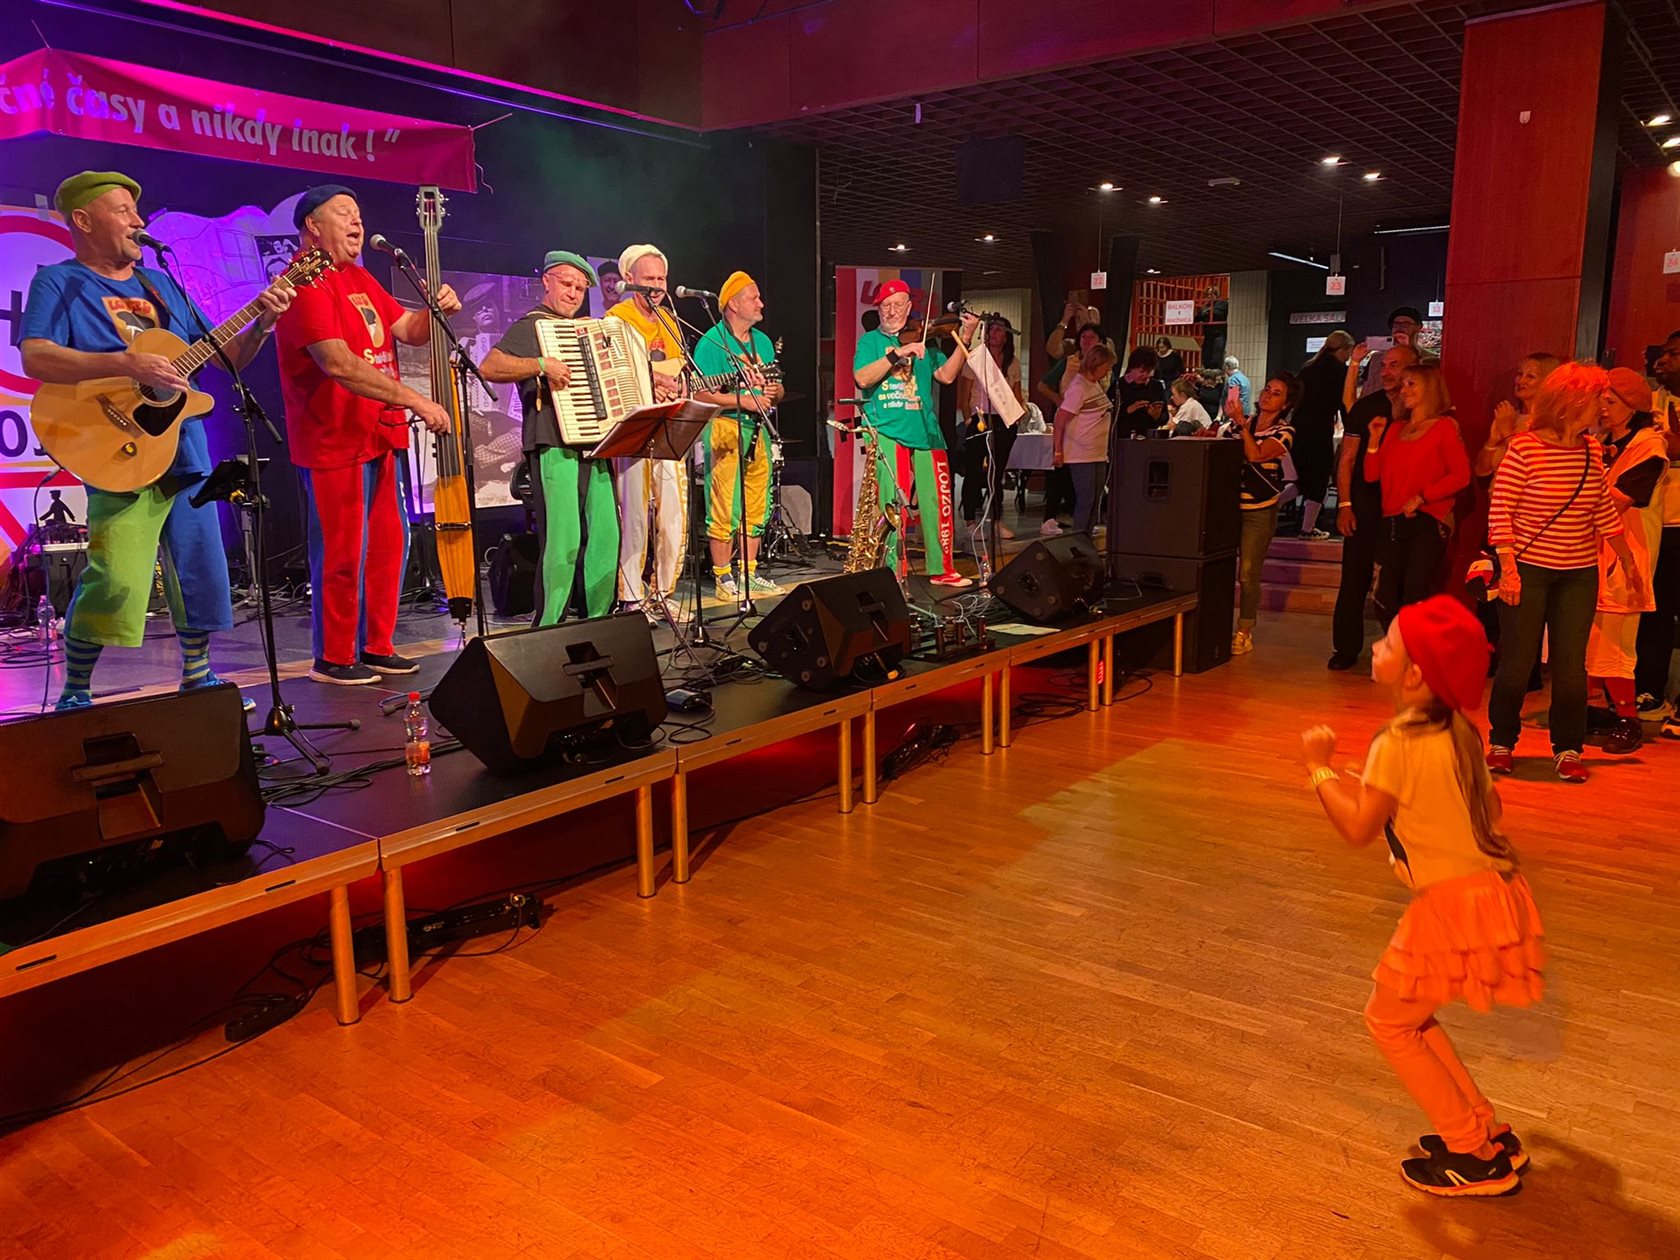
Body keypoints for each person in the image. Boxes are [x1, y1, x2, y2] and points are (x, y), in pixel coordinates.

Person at [20, 171, 293, 710]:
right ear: (84, 220)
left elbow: (225, 359)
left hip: (183, 445)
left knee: (202, 567)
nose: (138, 220)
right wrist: (127, 363)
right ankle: (76, 691)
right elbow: (36, 356)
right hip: (117, 445)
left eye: (136, 210)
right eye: (123, 210)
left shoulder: (161, 285)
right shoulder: (59, 281)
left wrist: (262, 323)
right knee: (116, 577)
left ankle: (199, 678)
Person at [1300, 595, 1542, 1198]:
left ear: (1412, 675)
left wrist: (1319, 769)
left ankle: (1472, 1156)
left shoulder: (1396, 742)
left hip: (1451, 905)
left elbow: (1357, 827)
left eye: (1387, 643)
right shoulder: (1460, 730)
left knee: (1387, 1022)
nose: (1375, 648)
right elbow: (1488, 808)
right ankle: (1484, 1131)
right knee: (1410, 1015)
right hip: (1496, 891)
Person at [276, 184, 455, 686]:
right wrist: (415, 399)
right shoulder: (304, 281)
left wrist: (436, 310)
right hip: (334, 437)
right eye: (344, 214)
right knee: (342, 551)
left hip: (378, 431)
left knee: (387, 546)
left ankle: (377, 645)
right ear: (313, 226)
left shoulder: (359, 276)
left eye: (358, 214)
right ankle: (334, 657)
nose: (357, 222)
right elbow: (337, 363)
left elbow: (407, 330)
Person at [1486, 363, 1646, 783]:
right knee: (1517, 664)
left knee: (1572, 667)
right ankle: (1502, 743)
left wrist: (1628, 561)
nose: (1603, 408)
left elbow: (1602, 509)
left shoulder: (1591, 450)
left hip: (1578, 572)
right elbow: (1501, 511)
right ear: (1572, 402)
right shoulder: (1525, 448)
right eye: (1598, 399)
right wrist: (1509, 569)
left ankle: (1568, 748)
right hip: (1528, 569)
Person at [478, 251, 619, 625]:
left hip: (596, 443)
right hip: (552, 440)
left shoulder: (585, 328)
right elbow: (489, 366)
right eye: (567, 284)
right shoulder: (533, 326)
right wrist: (540, 365)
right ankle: (549, 626)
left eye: (580, 288)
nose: (573, 293)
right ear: (547, 281)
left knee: (606, 536)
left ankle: (599, 620)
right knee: (563, 539)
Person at [851, 280, 978, 586]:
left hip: (926, 431)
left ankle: (942, 569)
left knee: (937, 502)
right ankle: (892, 571)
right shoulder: (870, 342)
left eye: (898, 305)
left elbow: (946, 375)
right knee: (891, 505)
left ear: (909, 308)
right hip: (887, 430)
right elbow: (862, 378)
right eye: (886, 305)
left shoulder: (926, 341)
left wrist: (964, 337)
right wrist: (898, 352)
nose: (892, 311)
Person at [691, 271, 786, 601]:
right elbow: (700, 393)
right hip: (725, 427)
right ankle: (723, 577)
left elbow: (778, 388)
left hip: (758, 428)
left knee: (757, 505)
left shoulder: (762, 342)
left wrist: (773, 392)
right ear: (732, 304)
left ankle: (749, 573)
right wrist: (740, 401)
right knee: (724, 506)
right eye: (753, 298)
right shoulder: (711, 342)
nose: (761, 303)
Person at [1588, 368, 1668, 754]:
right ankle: (1595, 710)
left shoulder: (1648, 448)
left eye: (1610, 401)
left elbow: (1615, 504)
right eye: (1600, 399)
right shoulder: (1605, 445)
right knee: (1590, 636)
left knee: (1616, 641)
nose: (1602, 407)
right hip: (1592, 553)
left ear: (1632, 407)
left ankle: (1627, 718)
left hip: (1627, 557)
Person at [607, 244, 688, 617]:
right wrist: (651, 378)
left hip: (669, 424)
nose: (656, 286)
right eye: (649, 279)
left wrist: (678, 386)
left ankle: (664, 593)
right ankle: (631, 596)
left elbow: (680, 368)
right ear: (629, 279)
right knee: (635, 514)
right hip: (633, 426)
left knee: (673, 511)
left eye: (661, 278)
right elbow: (615, 368)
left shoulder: (670, 320)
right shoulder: (616, 319)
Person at [1330, 345, 1420, 670]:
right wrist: (1344, 504)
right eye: (1383, 365)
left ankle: (1400, 651)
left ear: (1414, 368)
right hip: (1365, 504)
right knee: (1354, 577)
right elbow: (1347, 460)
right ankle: (1345, 647)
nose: (1386, 372)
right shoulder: (1367, 406)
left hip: (1404, 508)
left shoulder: (1420, 408)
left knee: (1399, 583)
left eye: (1394, 365)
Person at [1362, 364, 1470, 624]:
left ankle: (1414, 646)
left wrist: (1423, 497)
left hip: (1426, 520)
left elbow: (1461, 475)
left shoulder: (1444, 426)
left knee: (1415, 593)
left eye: (1411, 384)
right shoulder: (1396, 428)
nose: (1404, 390)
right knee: (1385, 596)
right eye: (1404, 385)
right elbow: (1372, 475)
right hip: (1392, 520)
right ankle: (1397, 644)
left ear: (1430, 388)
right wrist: (1374, 441)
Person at [1222, 371, 1299, 656]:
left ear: (1286, 404)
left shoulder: (1285, 431)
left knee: (1248, 572)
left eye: (1276, 393)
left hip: (1259, 509)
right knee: (1221, 567)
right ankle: (1218, 624)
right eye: (1267, 389)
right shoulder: (1244, 423)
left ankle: (1244, 630)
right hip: (1228, 507)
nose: (1267, 395)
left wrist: (1241, 426)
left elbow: (1256, 455)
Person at [1634, 330, 1680, 731]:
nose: (1662, 361)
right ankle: (1648, 691)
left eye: (1674, 354)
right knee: (1655, 610)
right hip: (1657, 522)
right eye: (1662, 354)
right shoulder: (1649, 403)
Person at [957, 317, 1022, 542]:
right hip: (979, 417)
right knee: (974, 471)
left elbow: (1017, 394)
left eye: (999, 330)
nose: (994, 333)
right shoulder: (975, 358)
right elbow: (964, 394)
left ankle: (996, 520)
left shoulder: (1012, 362)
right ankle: (970, 521)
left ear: (1006, 336)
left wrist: (1016, 418)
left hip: (1003, 420)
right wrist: (968, 419)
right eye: (991, 329)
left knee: (997, 473)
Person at [1293, 331, 1354, 539]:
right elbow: (1345, 404)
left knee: (1298, 479)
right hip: (1320, 430)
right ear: (1343, 349)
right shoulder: (1341, 372)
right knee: (1319, 480)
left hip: (1298, 428)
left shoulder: (1308, 367)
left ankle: (1270, 511)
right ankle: (1307, 528)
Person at [1053, 345, 1118, 537]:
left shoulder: (1094, 385)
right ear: (1096, 364)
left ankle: (1086, 537)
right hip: (1081, 452)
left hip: (1097, 451)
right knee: (1086, 499)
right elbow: (1060, 420)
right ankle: (1079, 540)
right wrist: (1058, 450)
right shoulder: (1078, 388)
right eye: (1107, 366)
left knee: (1095, 499)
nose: (1108, 370)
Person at [1474, 353, 1562, 479]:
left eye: (1530, 376)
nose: (1520, 381)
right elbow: (1481, 471)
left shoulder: (1552, 423)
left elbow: (1535, 468)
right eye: (1520, 374)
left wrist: (1507, 433)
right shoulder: (1510, 417)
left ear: (1548, 382)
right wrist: (1492, 441)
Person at [1346, 307, 1428, 408]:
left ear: (1419, 327)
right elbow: (1364, 395)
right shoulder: (1377, 358)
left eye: (1406, 324)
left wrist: (1407, 350)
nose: (1400, 328)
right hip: (1374, 410)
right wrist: (1355, 361)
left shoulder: (1427, 359)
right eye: (1396, 324)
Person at [1113, 346, 1166, 441]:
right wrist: (1128, 410)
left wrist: (1157, 416)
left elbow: (1165, 417)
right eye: (1141, 371)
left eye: (1148, 372)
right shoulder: (1118, 385)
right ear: (1131, 368)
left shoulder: (1156, 386)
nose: (1145, 375)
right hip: (1123, 439)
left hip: (1149, 439)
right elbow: (1108, 415)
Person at [1196, 284, 1229, 368]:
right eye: (1207, 295)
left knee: (1217, 354)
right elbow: (1198, 317)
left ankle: (1217, 370)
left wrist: (1208, 312)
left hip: (1219, 333)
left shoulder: (1222, 304)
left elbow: (1219, 313)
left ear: (1216, 295)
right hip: (1208, 334)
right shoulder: (1205, 307)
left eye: (1211, 294)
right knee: (1206, 354)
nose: (1209, 296)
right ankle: (1207, 369)